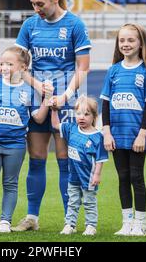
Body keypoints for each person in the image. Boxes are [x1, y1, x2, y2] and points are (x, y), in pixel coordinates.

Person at [12, 0, 91, 232]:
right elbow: (17, 66)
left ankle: (70, 221)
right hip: (38, 100)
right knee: (36, 158)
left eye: (39, 4)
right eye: (33, 4)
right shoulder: (30, 25)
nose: (36, 9)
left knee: (64, 160)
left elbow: (83, 68)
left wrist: (65, 96)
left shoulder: (74, 24)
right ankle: (32, 218)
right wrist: (39, 87)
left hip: (66, 103)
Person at [0, 46, 49, 233]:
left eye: (10, 64)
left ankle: (5, 221)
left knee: (10, 184)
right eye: (2, 64)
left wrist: (47, 99)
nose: (4, 67)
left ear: (23, 68)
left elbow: (38, 117)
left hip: (16, 146)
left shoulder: (28, 91)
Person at [100, 23, 146, 236]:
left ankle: (140, 223)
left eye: (131, 40)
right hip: (116, 135)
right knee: (122, 177)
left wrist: (142, 133)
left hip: (136, 136)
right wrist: (106, 131)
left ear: (141, 43)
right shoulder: (113, 70)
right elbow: (105, 103)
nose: (126, 44)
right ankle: (127, 222)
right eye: (122, 40)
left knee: (136, 177)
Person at [50, 95, 108, 236]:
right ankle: (69, 224)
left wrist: (97, 174)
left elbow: (100, 158)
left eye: (86, 114)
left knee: (89, 202)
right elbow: (55, 125)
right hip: (73, 176)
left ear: (94, 116)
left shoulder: (98, 137)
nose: (82, 117)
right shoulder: (71, 128)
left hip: (88, 177)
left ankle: (91, 225)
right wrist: (54, 110)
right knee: (72, 201)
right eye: (79, 113)